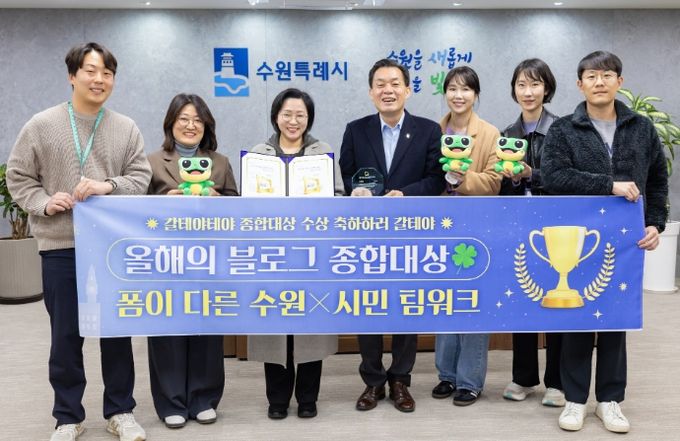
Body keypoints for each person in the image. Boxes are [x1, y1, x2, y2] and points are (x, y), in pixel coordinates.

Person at [6, 42, 151, 441]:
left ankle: (120, 411)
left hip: (112, 248)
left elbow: (140, 177)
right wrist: (44, 202)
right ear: (72, 76)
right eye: (90, 70)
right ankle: (68, 416)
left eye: (107, 73)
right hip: (60, 245)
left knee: (116, 333)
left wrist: (108, 185)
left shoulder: (126, 127)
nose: (99, 79)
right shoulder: (42, 124)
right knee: (66, 336)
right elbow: (18, 176)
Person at [542, 50, 668, 433]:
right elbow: (553, 177)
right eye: (592, 76)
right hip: (579, 240)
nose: (600, 82)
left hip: (626, 242)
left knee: (616, 319)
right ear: (580, 84)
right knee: (578, 319)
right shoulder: (564, 129)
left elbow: (657, 179)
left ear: (620, 82)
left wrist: (655, 223)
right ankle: (575, 400)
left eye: (607, 75)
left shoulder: (642, 128)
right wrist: (608, 185)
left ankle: (610, 400)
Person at [339, 58, 444, 413]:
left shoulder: (428, 130)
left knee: (405, 307)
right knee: (367, 306)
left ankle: (401, 380)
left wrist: (406, 194)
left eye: (395, 83)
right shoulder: (356, 130)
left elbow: (436, 180)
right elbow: (347, 174)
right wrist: (356, 190)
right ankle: (372, 381)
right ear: (371, 92)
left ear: (408, 90)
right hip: (366, 235)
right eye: (380, 84)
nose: (388, 90)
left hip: (410, 233)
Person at [247, 87, 344, 420]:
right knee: (275, 328)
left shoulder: (322, 152)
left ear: (309, 118)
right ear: (276, 116)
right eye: (287, 114)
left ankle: (307, 398)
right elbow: (247, 204)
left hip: (311, 253)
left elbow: (338, 196)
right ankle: (277, 399)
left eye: (300, 115)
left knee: (309, 326)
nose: (293, 121)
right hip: (271, 254)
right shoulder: (259, 154)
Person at [146, 93, 238, 429]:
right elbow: (136, 211)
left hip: (208, 261)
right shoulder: (152, 162)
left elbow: (238, 210)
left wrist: (218, 199)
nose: (190, 125)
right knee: (166, 330)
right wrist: (163, 202)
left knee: (206, 328)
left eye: (197, 120)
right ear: (170, 123)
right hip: (165, 262)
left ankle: (203, 398)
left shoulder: (221, 163)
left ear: (207, 126)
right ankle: (171, 401)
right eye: (183, 119)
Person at [430, 65, 501, 407]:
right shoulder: (433, 131)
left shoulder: (489, 133)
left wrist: (462, 178)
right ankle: (446, 374)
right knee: (444, 301)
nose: (458, 95)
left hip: (476, 229)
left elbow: (495, 182)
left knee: (473, 302)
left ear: (475, 94)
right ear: (445, 93)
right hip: (440, 228)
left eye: (466, 89)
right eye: (453, 89)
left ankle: (470, 380)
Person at [498, 59, 565, 408]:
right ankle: (523, 377)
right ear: (514, 90)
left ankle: (557, 381)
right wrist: (508, 180)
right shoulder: (507, 134)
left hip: (556, 226)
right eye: (521, 85)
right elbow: (501, 191)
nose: (528, 91)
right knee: (523, 300)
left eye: (535, 84)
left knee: (556, 300)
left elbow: (567, 179)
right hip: (519, 228)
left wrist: (530, 174)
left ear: (546, 88)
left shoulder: (563, 131)